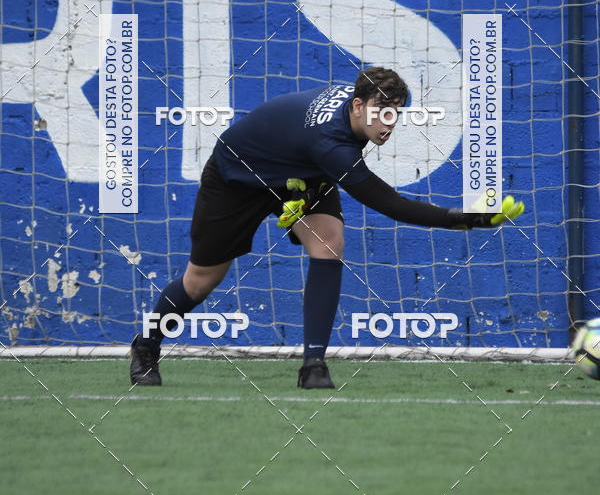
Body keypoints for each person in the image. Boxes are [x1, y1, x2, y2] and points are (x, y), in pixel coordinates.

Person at [129, 67, 523, 388]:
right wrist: (464, 220)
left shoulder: (353, 113)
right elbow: (389, 203)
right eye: (381, 112)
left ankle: (313, 364)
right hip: (238, 177)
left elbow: (303, 143)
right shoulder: (332, 144)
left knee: (329, 244)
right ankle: (146, 345)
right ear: (357, 105)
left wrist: (299, 185)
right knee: (200, 281)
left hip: (300, 173)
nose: (388, 123)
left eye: (395, 113)